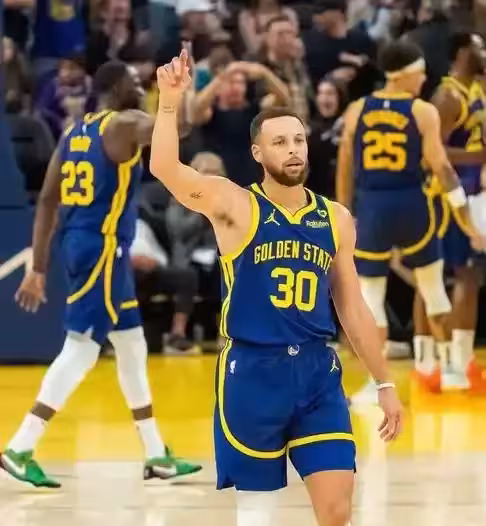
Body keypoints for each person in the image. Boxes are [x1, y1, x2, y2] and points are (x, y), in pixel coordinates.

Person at [150, 49, 402, 526]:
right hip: (252, 373)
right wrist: (168, 101)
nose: (293, 150)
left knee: (337, 511)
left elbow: (353, 308)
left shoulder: (335, 219)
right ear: (257, 153)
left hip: (317, 372)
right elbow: (165, 168)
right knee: (258, 513)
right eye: (280, 142)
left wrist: (384, 382)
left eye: (299, 140)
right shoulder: (234, 204)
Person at [0, 61, 201, 488]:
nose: (138, 87)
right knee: (82, 349)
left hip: (82, 244)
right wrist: (176, 94)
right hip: (103, 249)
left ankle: (156, 453)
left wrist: (39, 267)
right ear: (116, 87)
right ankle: (20, 446)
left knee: (131, 344)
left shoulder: (75, 132)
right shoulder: (124, 124)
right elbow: (177, 130)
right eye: (133, 82)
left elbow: (48, 200)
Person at [335, 40, 486, 403]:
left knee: (372, 296)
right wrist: (466, 221)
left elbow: (345, 165)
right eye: (420, 75)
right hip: (413, 203)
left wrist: (342, 211)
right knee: (433, 288)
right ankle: (449, 370)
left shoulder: (357, 110)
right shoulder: (422, 110)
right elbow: (442, 168)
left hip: (372, 206)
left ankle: (377, 385)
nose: (423, 81)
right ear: (405, 75)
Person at [427, 31, 486, 390]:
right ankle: (441, 361)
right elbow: (432, 150)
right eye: (479, 48)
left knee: (472, 277)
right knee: (452, 276)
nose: (484, 53)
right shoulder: (447, 97)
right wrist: (476, 157)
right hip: (449, 195)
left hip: (475, 193)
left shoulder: (476, 87)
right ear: (463, 52)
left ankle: (464, 360)